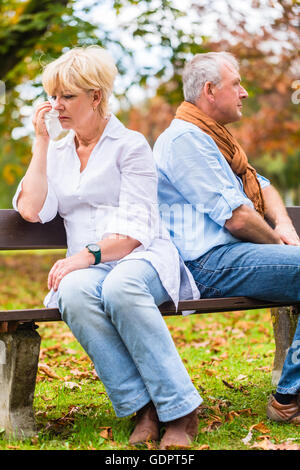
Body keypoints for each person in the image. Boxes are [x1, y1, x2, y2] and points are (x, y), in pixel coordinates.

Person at [12, 46, 203, 449]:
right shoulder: (59, 152)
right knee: (74, 293)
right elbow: (31, 209)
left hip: (141, 256)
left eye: (67, 96)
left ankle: (182, 410)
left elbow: (135, 230)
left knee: (120, 288)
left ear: (95, 97)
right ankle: (144, 407)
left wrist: (82, 256)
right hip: (88, 268)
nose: (56, 105)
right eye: (53, 96)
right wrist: (41, 143)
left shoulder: (130, 146)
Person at [153, 51, 300, 424]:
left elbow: (261, 186)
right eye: (237, 83)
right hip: (206, 264)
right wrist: (278, 246)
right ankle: (289, 399)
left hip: (233, 256)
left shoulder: (215, 139)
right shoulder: (185, 140)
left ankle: (291, 394)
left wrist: (282, 224)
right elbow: (237, 218)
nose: (245, 92)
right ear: (209, 90)